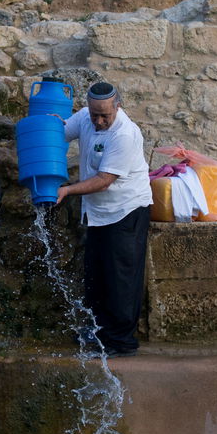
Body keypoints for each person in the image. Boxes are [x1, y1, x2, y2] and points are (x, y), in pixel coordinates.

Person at [54, 82, 153, 357]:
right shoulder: (87, 117)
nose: (98, 121)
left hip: (126, 210)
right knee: (97, 274)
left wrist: (67, 190)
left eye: (104, 116)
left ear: (117, 107)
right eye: (94, 114)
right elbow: (60, 132)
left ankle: (122, 342)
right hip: (98, 213)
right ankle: (99, 333)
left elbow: (104, 180)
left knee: (121, 278)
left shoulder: (125, 134)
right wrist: (48, 125)